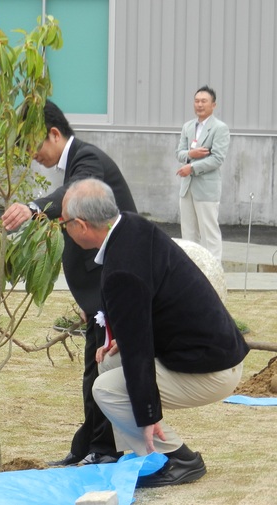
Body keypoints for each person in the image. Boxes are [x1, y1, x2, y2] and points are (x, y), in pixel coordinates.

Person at [61, 178, 249, 487]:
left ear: (81, 225)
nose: (63, 228)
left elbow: (138, 355)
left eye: (63, 223)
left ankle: (180, 458)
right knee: (108, 363)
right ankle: (140, 453)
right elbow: (153, 305)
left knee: (106, 389)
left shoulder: (121, 268)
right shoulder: (130, 226)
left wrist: (148, 413)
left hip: (214, 370)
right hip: (213, 351)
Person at [1, 100, 136, 467]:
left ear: (55, 134)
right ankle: (91, 446)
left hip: (117, 287)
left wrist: (32, 208)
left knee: (103, 367)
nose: (33, 155)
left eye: (33, 146)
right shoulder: (78, 161)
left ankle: (104, 448)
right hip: (102, 292)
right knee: (95, 367)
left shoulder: (86, 159)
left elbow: (76, 192)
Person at [176, 85, 230, 261]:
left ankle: (214, 275)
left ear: (213, 105)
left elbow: (217, 159)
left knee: (209, 233)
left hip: (206, 188)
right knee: (189, 233)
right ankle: (191, 272)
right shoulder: (188, 126)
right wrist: (191, 154)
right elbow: (180, 153)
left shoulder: (220, 128)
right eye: (197, 101)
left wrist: (192, 167)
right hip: (187, 187)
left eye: (204, 101)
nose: (199, 104)